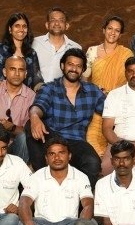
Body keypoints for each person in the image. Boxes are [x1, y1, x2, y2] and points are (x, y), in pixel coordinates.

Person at [26, 48, 105, 189]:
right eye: (70, 64)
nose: (74, 69)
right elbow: (38, 106)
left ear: (83, 70)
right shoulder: (50, 88)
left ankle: (81, 198)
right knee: (30, 124)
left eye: (78, 66)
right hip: (52, 137)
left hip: (76, 141)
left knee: (93, 162)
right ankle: (43, 183)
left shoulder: (92, 91)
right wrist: (34, 116)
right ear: (62, 66)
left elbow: (110, 110)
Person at [18, 137, 93, 225]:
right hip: (42, 224)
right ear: (46, 158)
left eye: (61, 153)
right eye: (52, 154)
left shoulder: (81, 177)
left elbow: (88, 205)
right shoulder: (37, 176)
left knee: (91, 224)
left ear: (69, 156)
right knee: (21, 224)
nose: (57, 158)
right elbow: (24, 203)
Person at [83, 16, 134, 156]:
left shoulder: (126, 54)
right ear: (103, 30)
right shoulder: (92, 51)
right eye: (110, 28)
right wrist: (96, 92)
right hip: (96, 104)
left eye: (117, 30)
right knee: (93, 142)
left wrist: (113, 94)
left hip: (119, 105)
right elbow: (84, 80)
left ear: (121, 34)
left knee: (117, 145)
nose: (113, 32)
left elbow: (131, 81)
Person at [0, 12, 44, 91]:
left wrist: (44, 89)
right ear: (10, 29)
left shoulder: (31, 53)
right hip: (2, 95)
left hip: (26, 97)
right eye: (17, 26)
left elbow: (37, 79)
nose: (21, 29)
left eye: (24, 26)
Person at [32, 7, 81, 83]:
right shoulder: (34, 43)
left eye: (61, 20)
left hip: (62, 90)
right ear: (47, 25)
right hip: (35, 90)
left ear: (67, 25)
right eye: (53, 20)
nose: (57, 23)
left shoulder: (76, 48)